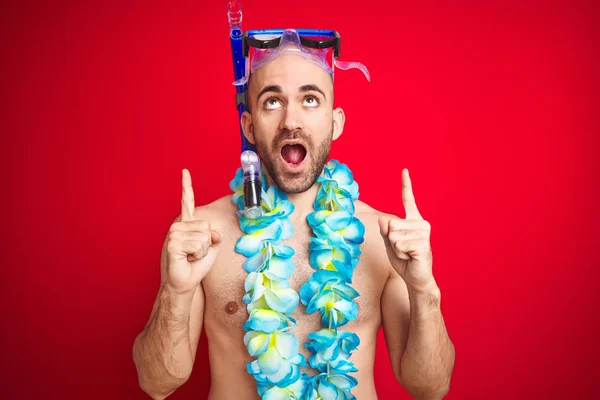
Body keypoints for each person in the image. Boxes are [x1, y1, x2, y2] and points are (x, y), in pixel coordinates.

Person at [132, 30, 455, 400]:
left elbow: (431, 388)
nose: (291, 121)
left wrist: (424, 289)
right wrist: (176, 291)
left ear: (336, 123)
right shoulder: (202, 236)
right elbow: (156, 384)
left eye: (310, 99)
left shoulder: (382, 238)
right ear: (249, 126)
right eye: (272, 102)